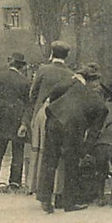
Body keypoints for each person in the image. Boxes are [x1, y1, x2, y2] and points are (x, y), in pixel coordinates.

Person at [36, 63, 108, 213]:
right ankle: (69, 202)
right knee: (71, 164)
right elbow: (93, 133)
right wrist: (84, 151)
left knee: (50, 160)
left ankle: (45, 198)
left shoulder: (74, 86)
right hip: (72, 128)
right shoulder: (101, 106)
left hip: (54, 118)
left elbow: (53, 94)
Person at [24, 41, 75, 193]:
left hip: (43, 113)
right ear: (66, 56)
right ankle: (57, 189)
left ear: (52, 54)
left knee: (40, 150)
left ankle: (37, 187)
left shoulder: (43, 69)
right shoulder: (70, 73)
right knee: (58, 152)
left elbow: (33, 94)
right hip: (61, 115)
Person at [0, 52, 30, 193]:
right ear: (21, 66)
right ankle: (14, 184)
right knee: (18, 152)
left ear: (10, 62)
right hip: (17, 119)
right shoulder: (24, 81)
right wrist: (24, 123)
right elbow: (29, 105)